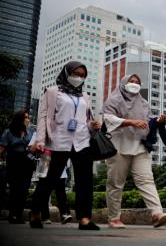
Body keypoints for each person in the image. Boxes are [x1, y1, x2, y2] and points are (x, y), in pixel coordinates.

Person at [30, 61, 101, 230]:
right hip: (57, 141)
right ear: (66, 73)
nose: (79, 78)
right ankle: (35, 213)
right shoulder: (53, 92)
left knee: (85, 182)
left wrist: (93, 125)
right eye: (75, 73)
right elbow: (43, 117)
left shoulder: (85, 96)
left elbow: (86, 120)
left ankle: (84, 219)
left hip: (82, 142)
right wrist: (40, 140)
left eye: (82, 75)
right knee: (49, 179)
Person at [103, 74, 166, 229]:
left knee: (146, 179)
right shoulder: (113, 100)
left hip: (140, 145)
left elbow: (149, 122)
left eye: (137, 82)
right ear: (124, 83)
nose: (134, 84)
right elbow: (108, 119)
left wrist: (158, 121)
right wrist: (129, 122)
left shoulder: (144, 103)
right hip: (118, 146)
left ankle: (157, 213)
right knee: (115, 183)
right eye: (131, 82)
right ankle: (114, 219)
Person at [0, 110, 35, 224]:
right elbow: (2, 148)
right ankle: (13, 215)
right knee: (14, 188)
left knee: (24, 189)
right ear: (19, 119)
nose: (28, 119)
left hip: (28, 161)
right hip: (14, 160)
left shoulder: (30, 131)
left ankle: (18, 215)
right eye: (25, 117)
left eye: (28, 117)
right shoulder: (8, 132)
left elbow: (34, 147)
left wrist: (35, 148)